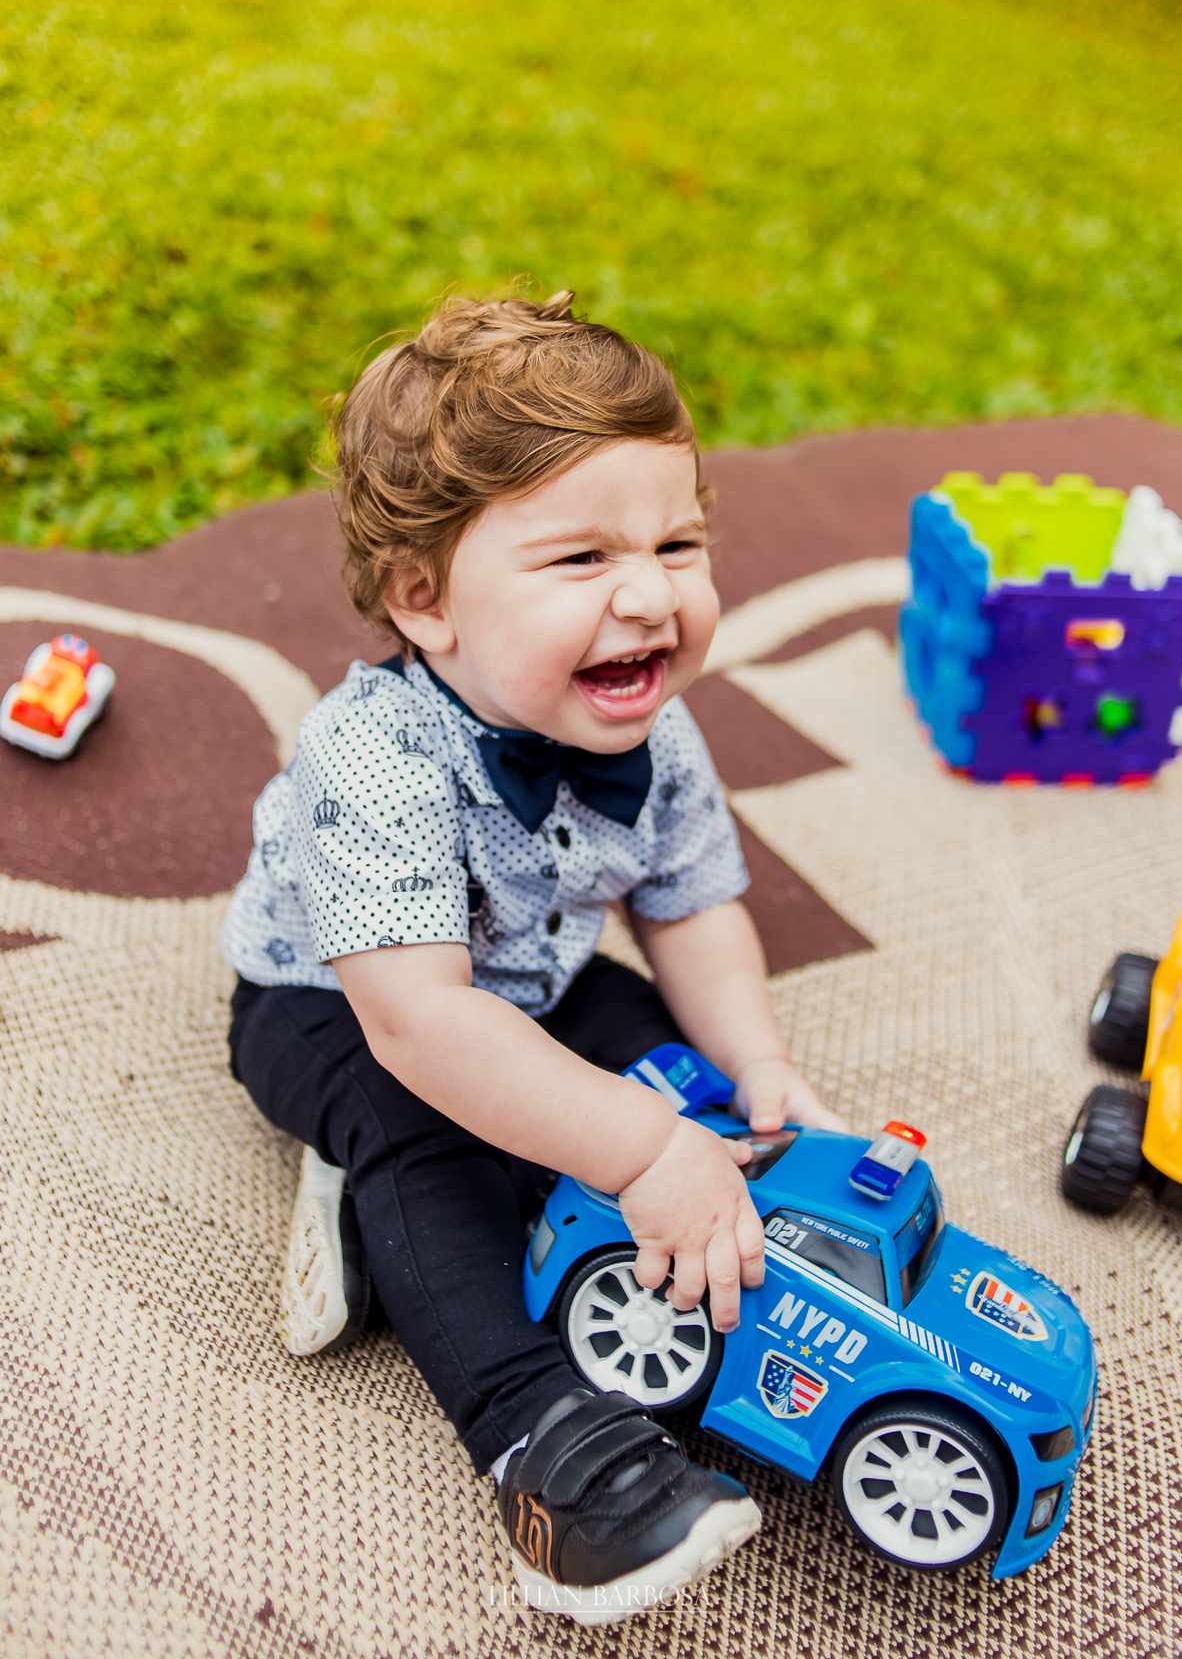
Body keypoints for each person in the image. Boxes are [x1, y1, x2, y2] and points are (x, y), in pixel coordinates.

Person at [220, 290, 846, 1624]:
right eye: (580, 562)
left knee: (670, 1070)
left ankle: (748, 1264)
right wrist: (629, 1151)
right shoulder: (375, 757)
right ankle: (544, 1453)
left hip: (533, 977)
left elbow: (689, 908)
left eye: (680, 541)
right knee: (431, 1134)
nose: (651, 594)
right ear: (424, 600)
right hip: (347, 1008)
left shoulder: (654, 732)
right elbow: (427, 1027)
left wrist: (756, 1063)